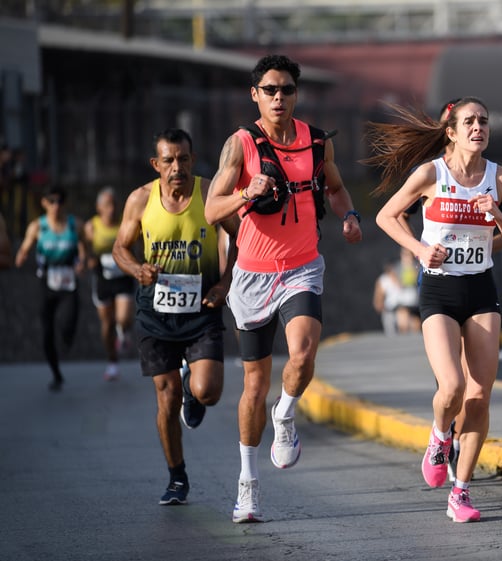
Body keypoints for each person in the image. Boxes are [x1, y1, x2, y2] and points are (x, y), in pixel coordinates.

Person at [204, 54, 362, 524]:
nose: (279, 97)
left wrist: (349, 216)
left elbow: (334, 189)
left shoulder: (316, 141)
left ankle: (286, 414)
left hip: (301, 267)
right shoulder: (240, 145)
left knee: (303, 353)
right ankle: (248, 484)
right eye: (270, 90)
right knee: (254, 383)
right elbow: (212, 210)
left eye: (287, 90)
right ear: (255, 94)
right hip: (251, 276)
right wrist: (246, 193)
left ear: (297, 94)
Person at [367, 97, 502, 522]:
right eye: (470, 121)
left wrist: (496, 214)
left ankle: (461, 491)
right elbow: (386, 216)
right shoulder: (430, 175)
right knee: (452, 386)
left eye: (485, 121)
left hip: (480, 288)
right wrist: (421, 250)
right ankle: (440, 436)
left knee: (478, 396)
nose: (479, 127)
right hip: (439, 290)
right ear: (452, 132)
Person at [112, 128, 239, 506]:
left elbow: (243, 239)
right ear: (156, 165)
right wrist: (137, 270)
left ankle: (192, 388)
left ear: (192, 159)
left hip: (202, 307)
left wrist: (225, 284)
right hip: (156, 310)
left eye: (183, 159)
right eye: (168, 160)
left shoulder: (209, 194)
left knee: (209, 392)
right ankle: (177, 476)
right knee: (164, 398)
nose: (176, 168)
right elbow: (120, 247)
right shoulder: (140, 199)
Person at [14, 185, 87, 391]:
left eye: (60, 201)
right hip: (47, 282)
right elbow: (25, 248)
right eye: (52, 201)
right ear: (44, 203)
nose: (56, 206)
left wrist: (82, 261)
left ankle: (66, 340)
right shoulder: (38, 227)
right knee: (47, 331)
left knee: (68, 324)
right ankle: (56, 373)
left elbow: (83, 249)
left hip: (68, 281)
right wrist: (21, 256)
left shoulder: (74, 225)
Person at [84, 186, 136, 380]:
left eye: (114, 204)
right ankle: (112, 362)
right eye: (106, 205)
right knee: (106, 322)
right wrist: (88, 258)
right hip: (102, 277)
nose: (111, 209)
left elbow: (134, 245)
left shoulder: (125, 224)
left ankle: (123, 332)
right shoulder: (92, 226)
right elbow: (85, 248)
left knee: (123, 318)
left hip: (122, 276)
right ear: (99, 207)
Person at [372, 260, 402, 335]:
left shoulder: (399, 275)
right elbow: (379, 294)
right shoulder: (383, 280)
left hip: (402, 307)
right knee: (391, 332)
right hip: (389, 309)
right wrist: (379, 304)